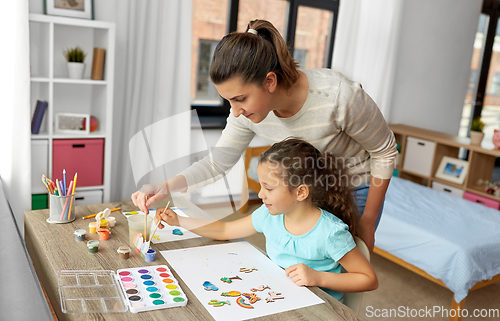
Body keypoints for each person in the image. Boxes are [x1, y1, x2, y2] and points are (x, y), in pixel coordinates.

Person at [132, 19, 398, 251]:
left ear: (269, 82)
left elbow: (385, 151)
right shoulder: (247, 114)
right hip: (304, 190)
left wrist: (368, 221)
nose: (235, 112)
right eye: (228, 101)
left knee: (340, 271)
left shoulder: (339, 96)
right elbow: (217, 163)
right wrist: (164, 187)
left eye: (240, 99)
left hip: (355, 188)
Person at [154, 138, 378, 302]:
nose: (260, 194)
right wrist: (180, 221)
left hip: (318, 307)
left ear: (300, 192)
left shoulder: (330, 233)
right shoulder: (269, 216)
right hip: (278, 297)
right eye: (261, 185)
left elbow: (368, 279)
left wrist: (318, 277)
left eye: (269, 188)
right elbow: (224, 230)